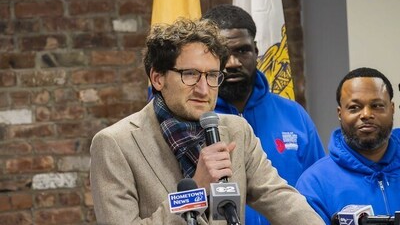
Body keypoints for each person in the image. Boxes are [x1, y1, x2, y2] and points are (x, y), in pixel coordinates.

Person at [90, 18, 324, 224]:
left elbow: (280, 198)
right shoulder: (115, 144)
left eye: (212, 75)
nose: (204, 89)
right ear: (158, 78)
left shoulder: (236, 130)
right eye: (190, 74)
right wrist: (196, 189)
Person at [202, 4, 326, 224]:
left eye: (242, 51)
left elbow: (319, 190)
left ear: (256, 51)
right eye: (223, 53)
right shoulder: (196, 120)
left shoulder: (294, 115)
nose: (233, 63)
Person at [296, 67, 400, 224]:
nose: (366, 115)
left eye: (377, 105)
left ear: (391, 109)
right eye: (354, 107)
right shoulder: (314, 184)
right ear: (340, 113)